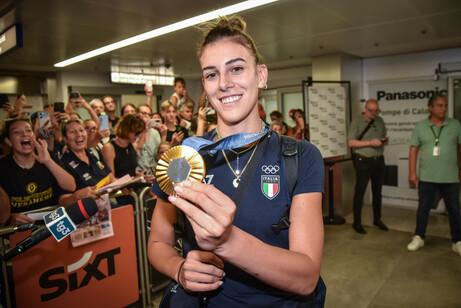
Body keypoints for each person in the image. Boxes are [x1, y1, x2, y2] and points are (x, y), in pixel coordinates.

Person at [148, 16, 325, 307]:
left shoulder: (300, 156)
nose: (225, 84)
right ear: (205, 86)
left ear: (261, 75)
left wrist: (226, 242)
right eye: (212, 74)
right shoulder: (183, 158)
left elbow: (306, 277)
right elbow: (158, 244)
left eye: (237, 68)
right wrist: (179, 269)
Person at [407, 94, 461, 255]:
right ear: (430, 108)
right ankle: (419, 237)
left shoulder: (455, 125)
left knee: (454, 210)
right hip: (427, 176)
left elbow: (460, 148)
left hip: (450, 177)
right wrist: (412, 172)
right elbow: (414, 149)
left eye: (445, 105)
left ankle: (457, 241)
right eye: (439, 105)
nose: (443, 108)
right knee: (423, 208)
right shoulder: (421, 127)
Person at [0, 118, 75, 225]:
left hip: (55, 223)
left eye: (28, 130)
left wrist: (48, 161)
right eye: (17, 132)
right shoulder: (3, 168)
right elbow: (2, 218)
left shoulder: (46, 155)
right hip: (21, 231)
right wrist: (10, 219)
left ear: (34, 136)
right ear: (8, 141)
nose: (24, 134)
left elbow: (71, 186)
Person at [348, 99, 389, 234]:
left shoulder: (380, 121)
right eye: (371, 111)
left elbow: (383, 137)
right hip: (363, 160)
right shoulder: (357, 121)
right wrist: (370, 142)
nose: (374, 114)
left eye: (376, 111)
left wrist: (383, 141)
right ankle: (357, 222)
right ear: (365, 108)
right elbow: (351, 143)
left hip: (378, 160)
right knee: (360, 191)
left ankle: (377, 219)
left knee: (378, 191)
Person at [59, 119, 113, 206]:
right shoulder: (63, 164)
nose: (79, 134)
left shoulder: (94, 153)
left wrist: (129, 183)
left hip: (106, 207)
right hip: (86, 214)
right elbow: (63, 201)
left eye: (81, 130)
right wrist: (76, 197)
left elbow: (111, 179)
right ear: (65, 139)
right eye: (73, 132)